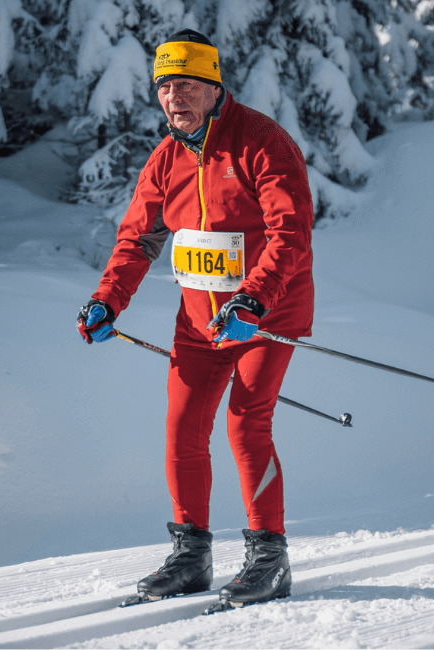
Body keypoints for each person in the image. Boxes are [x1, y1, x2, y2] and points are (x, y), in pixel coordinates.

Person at [76, 28, 314, 610]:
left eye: (186, 85)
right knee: (183, 429)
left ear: (213, 88)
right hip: (201, 320)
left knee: (244, 425)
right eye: (164, 87)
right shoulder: (165, 160)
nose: (174, 97)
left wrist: (253, 300)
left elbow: (291, 232)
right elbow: (138, 240)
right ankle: (192, 555)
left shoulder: (260, 142)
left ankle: (269, 556)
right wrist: (108, 300)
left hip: (266, 314)